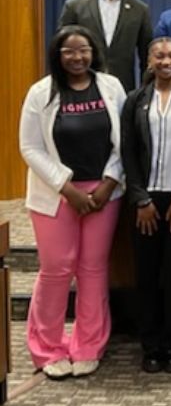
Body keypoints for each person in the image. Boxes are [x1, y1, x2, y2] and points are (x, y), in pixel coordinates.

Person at [19, 24, 127, 379]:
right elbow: (30, 147)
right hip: (56, 194)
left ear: (94, 52)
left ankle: (88, 345)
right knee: (56, 269)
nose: (77, 57)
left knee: (93, 269)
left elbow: (124, 141)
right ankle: (47, 348)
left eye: (83, 50)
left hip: (103, 192)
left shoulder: (110, 87)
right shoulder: (41, 92)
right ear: (57, 55)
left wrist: (109, 182)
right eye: (69, 51)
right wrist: (68, 189)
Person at [120, 37, 171, 374]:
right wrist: (139, 198)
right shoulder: (135, 100)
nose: (165, 61)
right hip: (146, 201)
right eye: (159, 55)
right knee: (146, 273)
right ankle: (150, 344)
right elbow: (127, 152)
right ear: (149, 61)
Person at [58, 0, 152, 92]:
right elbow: (61, 50)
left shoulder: (140, 10)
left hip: (123, 90)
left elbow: (146, 58)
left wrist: (145, 92)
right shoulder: (74, 6)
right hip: (81, 88)